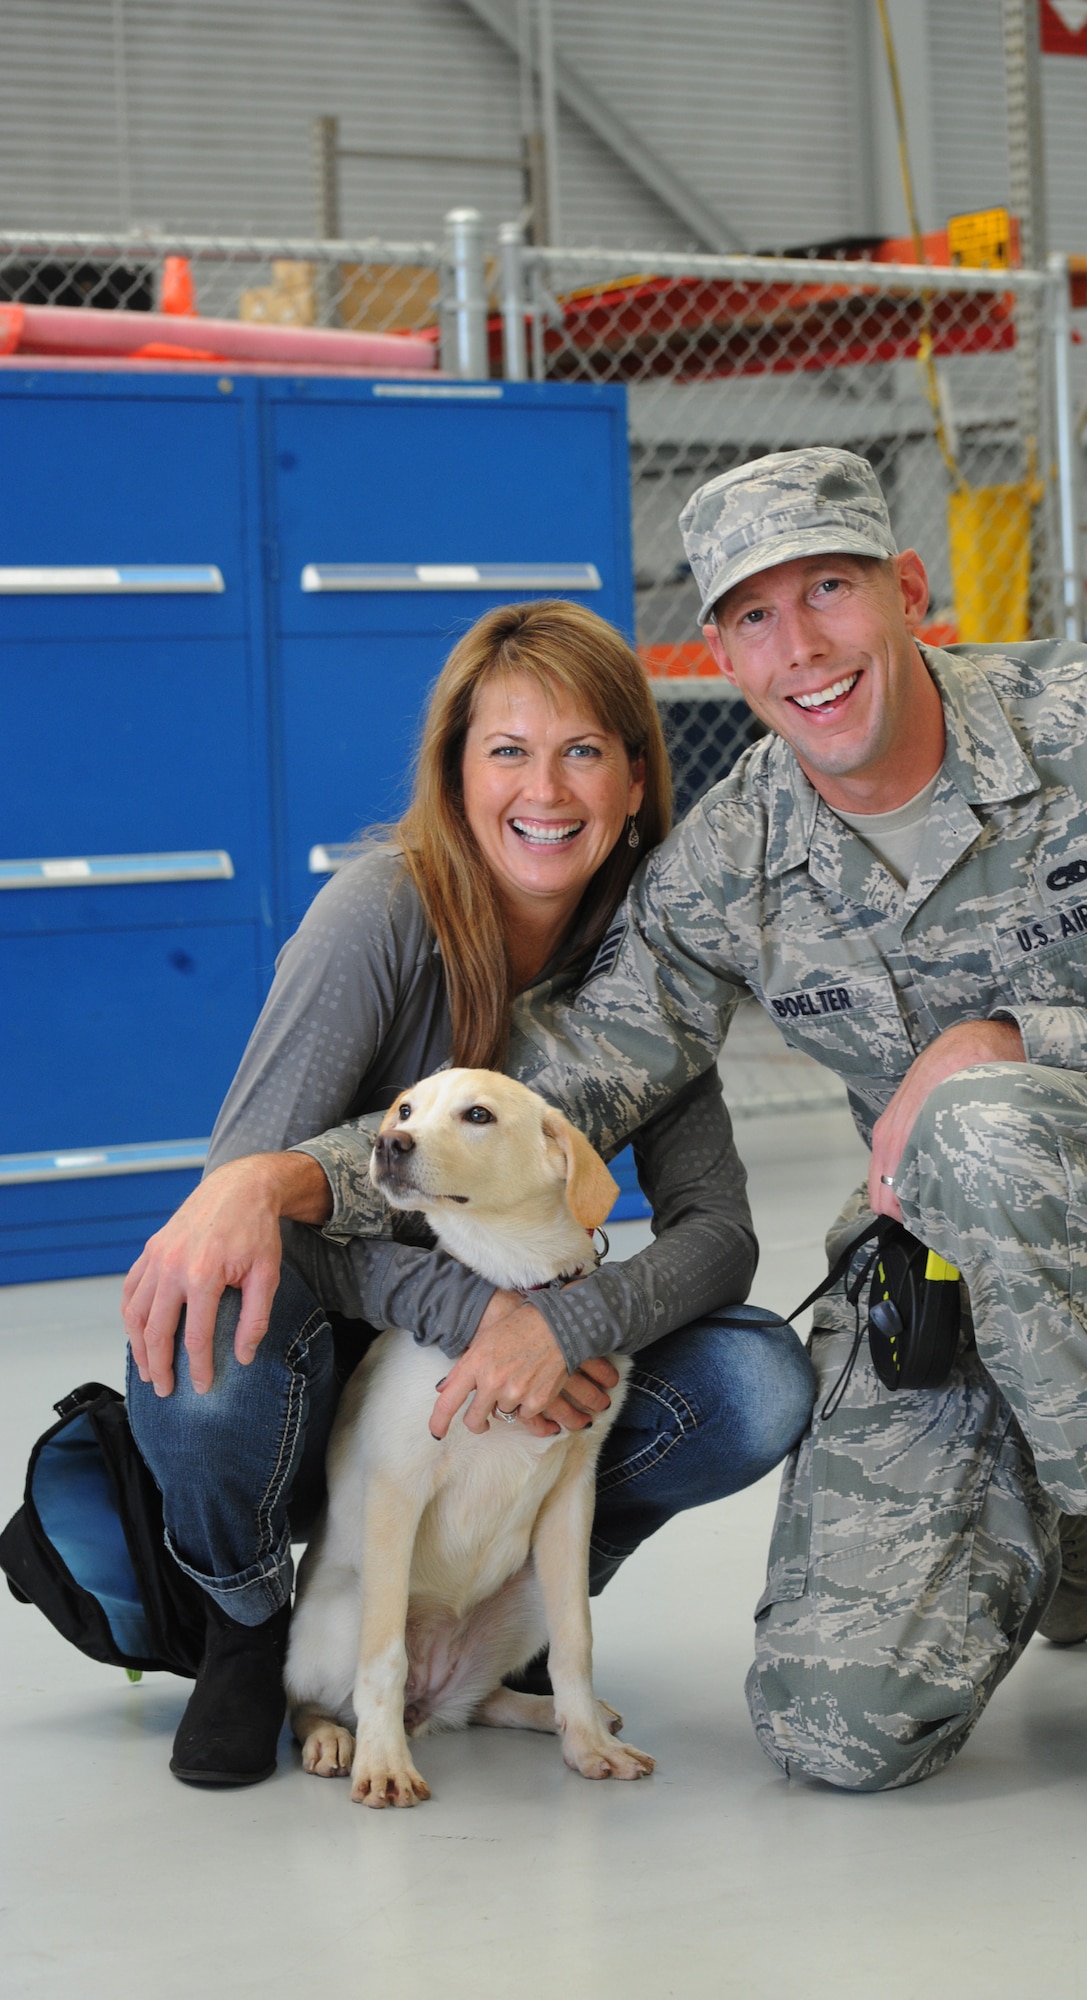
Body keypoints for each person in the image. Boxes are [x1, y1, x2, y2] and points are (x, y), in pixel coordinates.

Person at [303, 447, 1087, 1811]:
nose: (803, 647)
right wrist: (279, 1188)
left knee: (982, 1121)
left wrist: (1011, 1042)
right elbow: (570, 1082)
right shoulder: (734, 860)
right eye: (753, 616)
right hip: (947, 1285)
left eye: (832, 590)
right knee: (837, 1733)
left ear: (909, 593)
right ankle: (1054, 1485)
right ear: (720, 651)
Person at [122, 598, 815, 1790]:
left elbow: (720, 1232)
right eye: (508, 750)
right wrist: (476, 1313)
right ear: (455, 774)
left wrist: (568, 1322)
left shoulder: (650, 963)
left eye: (584, 749)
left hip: (521, 1376)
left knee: (754, 1380)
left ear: (638, 780)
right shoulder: (379, 916)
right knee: (205, 1348)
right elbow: (245, 1201)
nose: (545, 789)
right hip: (333, 1358)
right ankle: (247, 1623)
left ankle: (519, 1605)